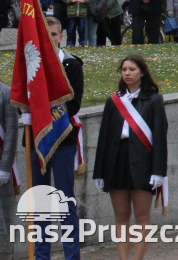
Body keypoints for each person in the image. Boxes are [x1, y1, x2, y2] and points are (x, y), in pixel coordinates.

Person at [93, 54, 168, 260]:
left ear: (142, 72)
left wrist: (159, 170)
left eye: (132, 69)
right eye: (124, 69)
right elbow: (104, 138)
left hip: (143, 163)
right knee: (121, 217)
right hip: (117, 162)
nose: (127, 73)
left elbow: (160, 137)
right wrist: (99, 172)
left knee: (142, 217)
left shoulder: (154, 99)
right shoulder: (113, 101)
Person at [22, 17, 84, 260]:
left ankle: (71, 256)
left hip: (63, 140)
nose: (52, 38)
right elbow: (21, 94)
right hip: (37, 139)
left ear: (61, 36)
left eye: (55, 34)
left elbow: (75, 104)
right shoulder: (30, 66)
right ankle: (41, 256)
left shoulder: (72, 65)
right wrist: (26, 112)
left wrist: (42, 112)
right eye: (46, 35)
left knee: (65, 199)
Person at [0, 80, 18, 260]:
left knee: (2, 220)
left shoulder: (6, 92)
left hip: (0, 166)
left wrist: (5, 168)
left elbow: (12, 132)